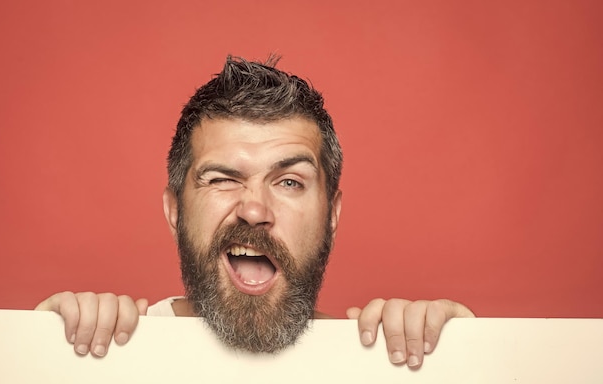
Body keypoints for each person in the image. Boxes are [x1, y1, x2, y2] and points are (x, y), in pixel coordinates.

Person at [36, 56, 474, 368]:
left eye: (289, 182)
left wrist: (469, 358)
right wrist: (39, 353)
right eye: (223, 179)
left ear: (332, 215)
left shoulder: (383, 360)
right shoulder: (110, 347)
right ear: (175, 212)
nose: (253, 209)